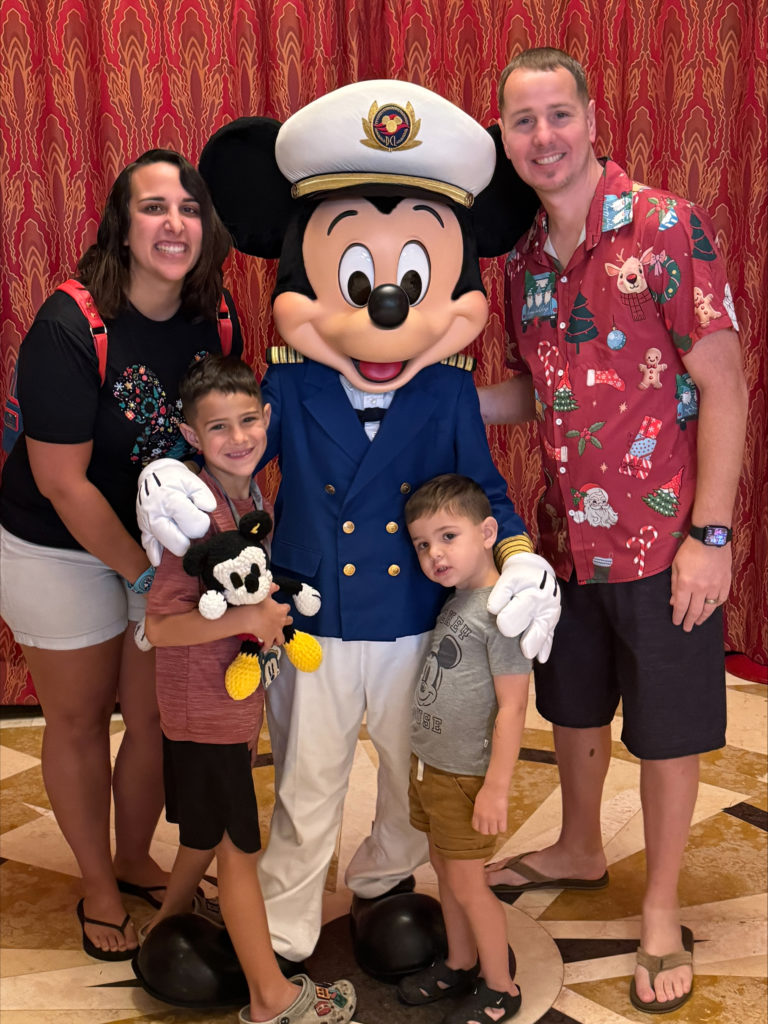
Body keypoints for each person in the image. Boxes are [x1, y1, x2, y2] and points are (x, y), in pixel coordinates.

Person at [480, 48, 748, 1013]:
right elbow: (540, 390)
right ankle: (581, 844)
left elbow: (723, 382)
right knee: (577, 706)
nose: (544, 136)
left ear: (592, 119)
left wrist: (709, 538)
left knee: (668, 729)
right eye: (523, 122)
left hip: (663, 538)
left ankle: (663, 910)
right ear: (505, 139)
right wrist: (438, 403)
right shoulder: (517, 265)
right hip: (563, 540)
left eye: (559, 115)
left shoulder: (668, 228)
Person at [0, 149, 241, 958]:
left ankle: (135, 856)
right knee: (76, 716)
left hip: (154, 543)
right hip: (52, 542)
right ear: (122, 226)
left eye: (188, 208)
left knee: (152, 715)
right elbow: (64, 484)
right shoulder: (70, 324)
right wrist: (144, 579)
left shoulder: (218, 314)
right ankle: (97, 885)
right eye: (153, 207)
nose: (173, 223)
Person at [143, 353, 356, 1024]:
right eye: (218, 429)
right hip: (201, 710)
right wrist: (251, 618)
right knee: (240, 846)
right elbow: (160, 626)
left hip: (228, 708)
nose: (238, 438)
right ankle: (272, 998)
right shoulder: (198, 518)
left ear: (268, 419)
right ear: (191, 434)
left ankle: (163, 931)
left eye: (247, 422)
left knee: (204, 831)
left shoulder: (250, 496)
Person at [396, 474, 529, 1024]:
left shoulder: (501, 611)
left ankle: (501, 987)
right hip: (430, 766)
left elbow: (514, 709)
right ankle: (458, 960)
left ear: (488, 531)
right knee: (443, 871)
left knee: (471, 885)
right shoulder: (458, 601)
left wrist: (496, 786)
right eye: (423, 544)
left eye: (448, 537)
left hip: (466, 776)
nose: (435, 554)